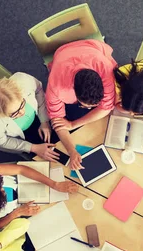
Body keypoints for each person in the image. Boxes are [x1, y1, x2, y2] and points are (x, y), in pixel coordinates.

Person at [46, 40, 118, 170]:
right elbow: (57, 121)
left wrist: (74, 124)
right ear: (74, 93)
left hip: (92, 48)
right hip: (63, 52)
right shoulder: (56, 88)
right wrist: (71, 151)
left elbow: (106, 107)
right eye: (85, 105)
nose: (90, 109)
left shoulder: (106, 70)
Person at [0, 163, 77, 234]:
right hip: (19, 209)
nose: (3, 189)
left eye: (0, 186)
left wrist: (54, 184)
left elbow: (21, 169)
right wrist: (16, 213)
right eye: (1, 192)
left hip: (23, 188)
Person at [0, 72, 59, 162]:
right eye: (14, 113)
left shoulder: (23, 80)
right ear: (0, 114)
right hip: (20, 137)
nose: (22, 112)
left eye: (22, 104)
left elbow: (38, 89)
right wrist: (33, 148)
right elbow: (3, 142)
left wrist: (44, 121)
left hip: (38, 115)